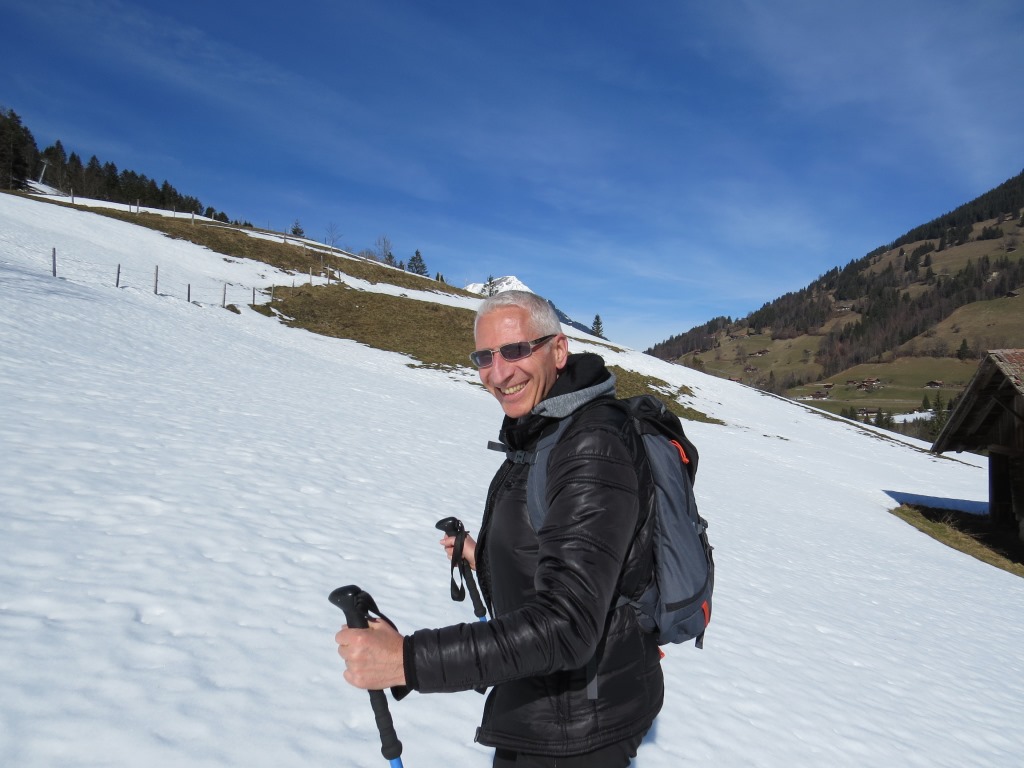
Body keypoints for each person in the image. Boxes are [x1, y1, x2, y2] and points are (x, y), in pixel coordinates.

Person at [336, 290, 662, 766]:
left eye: (515, 350)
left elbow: (567, 625)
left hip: (578, 728)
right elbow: (557, 548)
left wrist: (405, 660)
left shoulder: (590, 444)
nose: (499, 372)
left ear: (558, 350)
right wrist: (484, 555)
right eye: (484, 357)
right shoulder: (545, 428)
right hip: (543, 703)